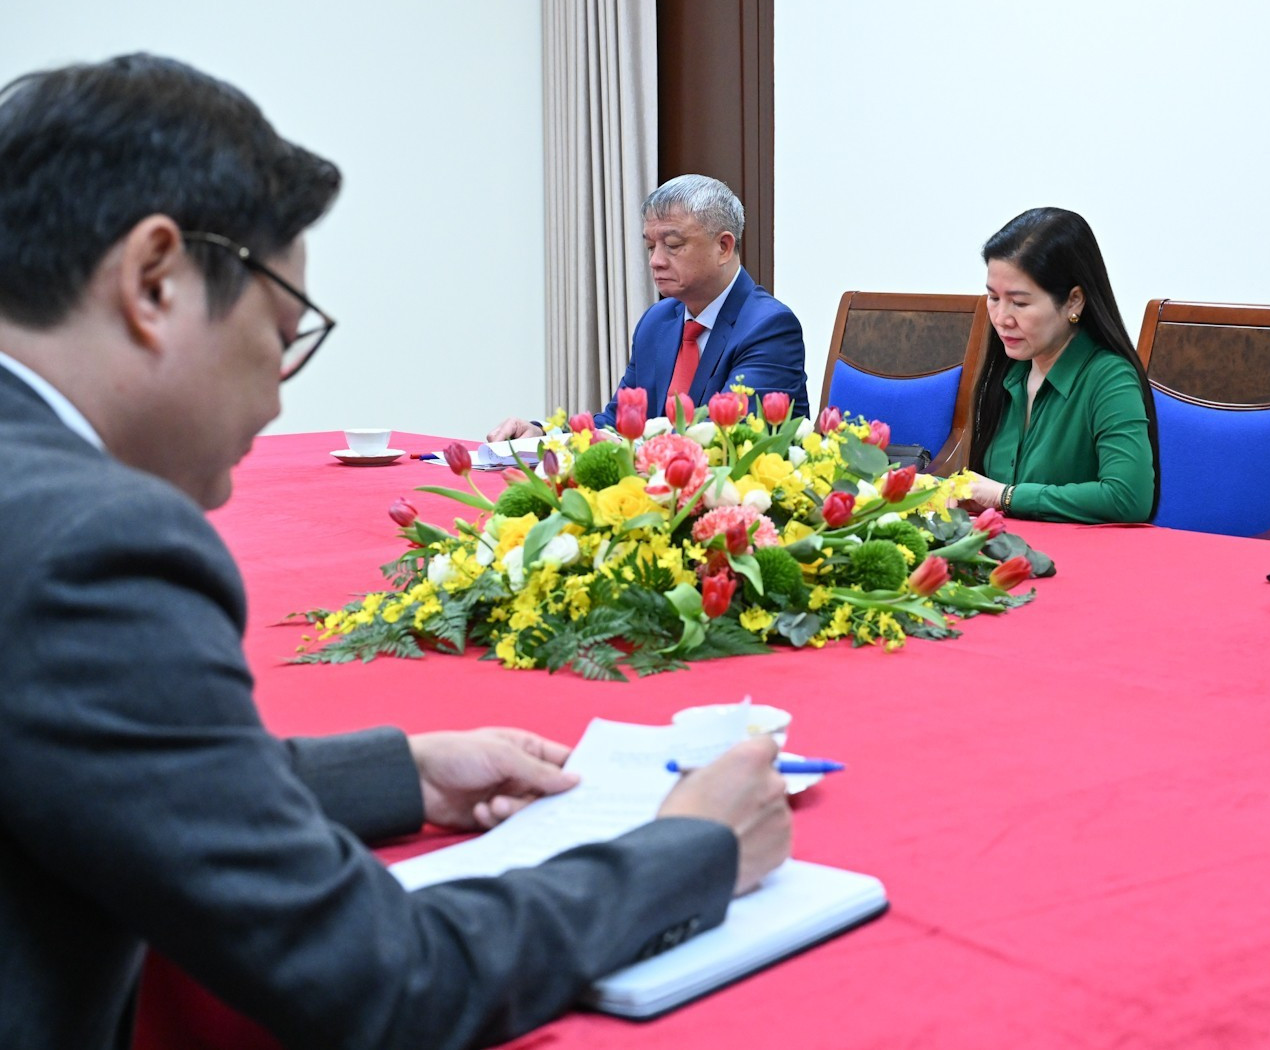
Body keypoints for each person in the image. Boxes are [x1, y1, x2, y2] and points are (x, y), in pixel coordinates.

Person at [0, 54, 793, 1050]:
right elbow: (381, 980)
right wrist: (689, 849)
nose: (278, 396)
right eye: (282, 337)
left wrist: (399, 773)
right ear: (155, 280)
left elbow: (107, 762)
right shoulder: (92, 546)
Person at [490, 174, 807, 440]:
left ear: (723, 247)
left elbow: (726, 442)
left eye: (672, 246)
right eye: (650, 246)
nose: (655, 261)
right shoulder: (658, 321)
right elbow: (617, 425)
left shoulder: (769, 327)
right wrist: (544, 436)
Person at [959, 207, 1159, 524]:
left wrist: (1005, 497)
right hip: (1008, 555)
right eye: (993, 298)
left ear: (1073, 301)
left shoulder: (1109, 377)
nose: (1000, 318)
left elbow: (1128, 498)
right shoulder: (1011, 370)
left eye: (1020, 302)